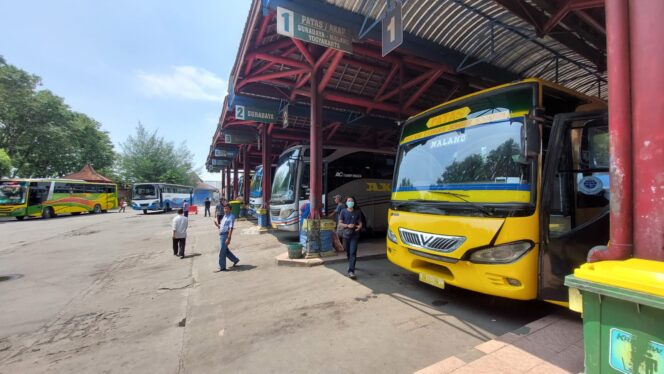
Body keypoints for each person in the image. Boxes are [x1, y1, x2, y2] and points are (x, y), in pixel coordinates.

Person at [338, 196, 362, 279]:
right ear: (346, 202)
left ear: (354, 202)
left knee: (353, 252)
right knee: (348, 252)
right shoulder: (343, 211)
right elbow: (340, 223)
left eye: (351, 200)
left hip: (355, 235)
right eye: (348, 201)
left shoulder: (357, 212)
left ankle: (351, 271)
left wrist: (359, 227)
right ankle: (351, 263)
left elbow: (360, 222)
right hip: (346, 235)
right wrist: (347, 225)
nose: (350, 202)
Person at [214, 204, 239, 272]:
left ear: (230, 209)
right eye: (224, 208)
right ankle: (235, 260)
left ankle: (222, 267)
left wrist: (229, 238)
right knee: (225, 250)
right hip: (221, 235)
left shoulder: (231, 217)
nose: (225, 210)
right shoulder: (224, 216)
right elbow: (223, 227)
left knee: (222, 251)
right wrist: (217, 226)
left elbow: (231, 228)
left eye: (227, 208)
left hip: (225, 235)